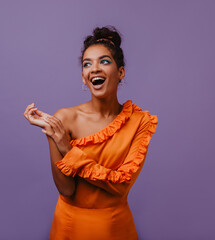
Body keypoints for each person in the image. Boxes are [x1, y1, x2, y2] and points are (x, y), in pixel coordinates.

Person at [23, 26, 158, 240]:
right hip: (70, 226)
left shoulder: (140, 122)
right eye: (87, 64)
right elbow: (66, 190)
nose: (94, 68)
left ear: (121, 72)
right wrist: (52, 135)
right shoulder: (64, 119)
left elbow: (121, 187)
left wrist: (67, 148)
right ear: (84, 78)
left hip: (115, 227)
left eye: (104, 61)